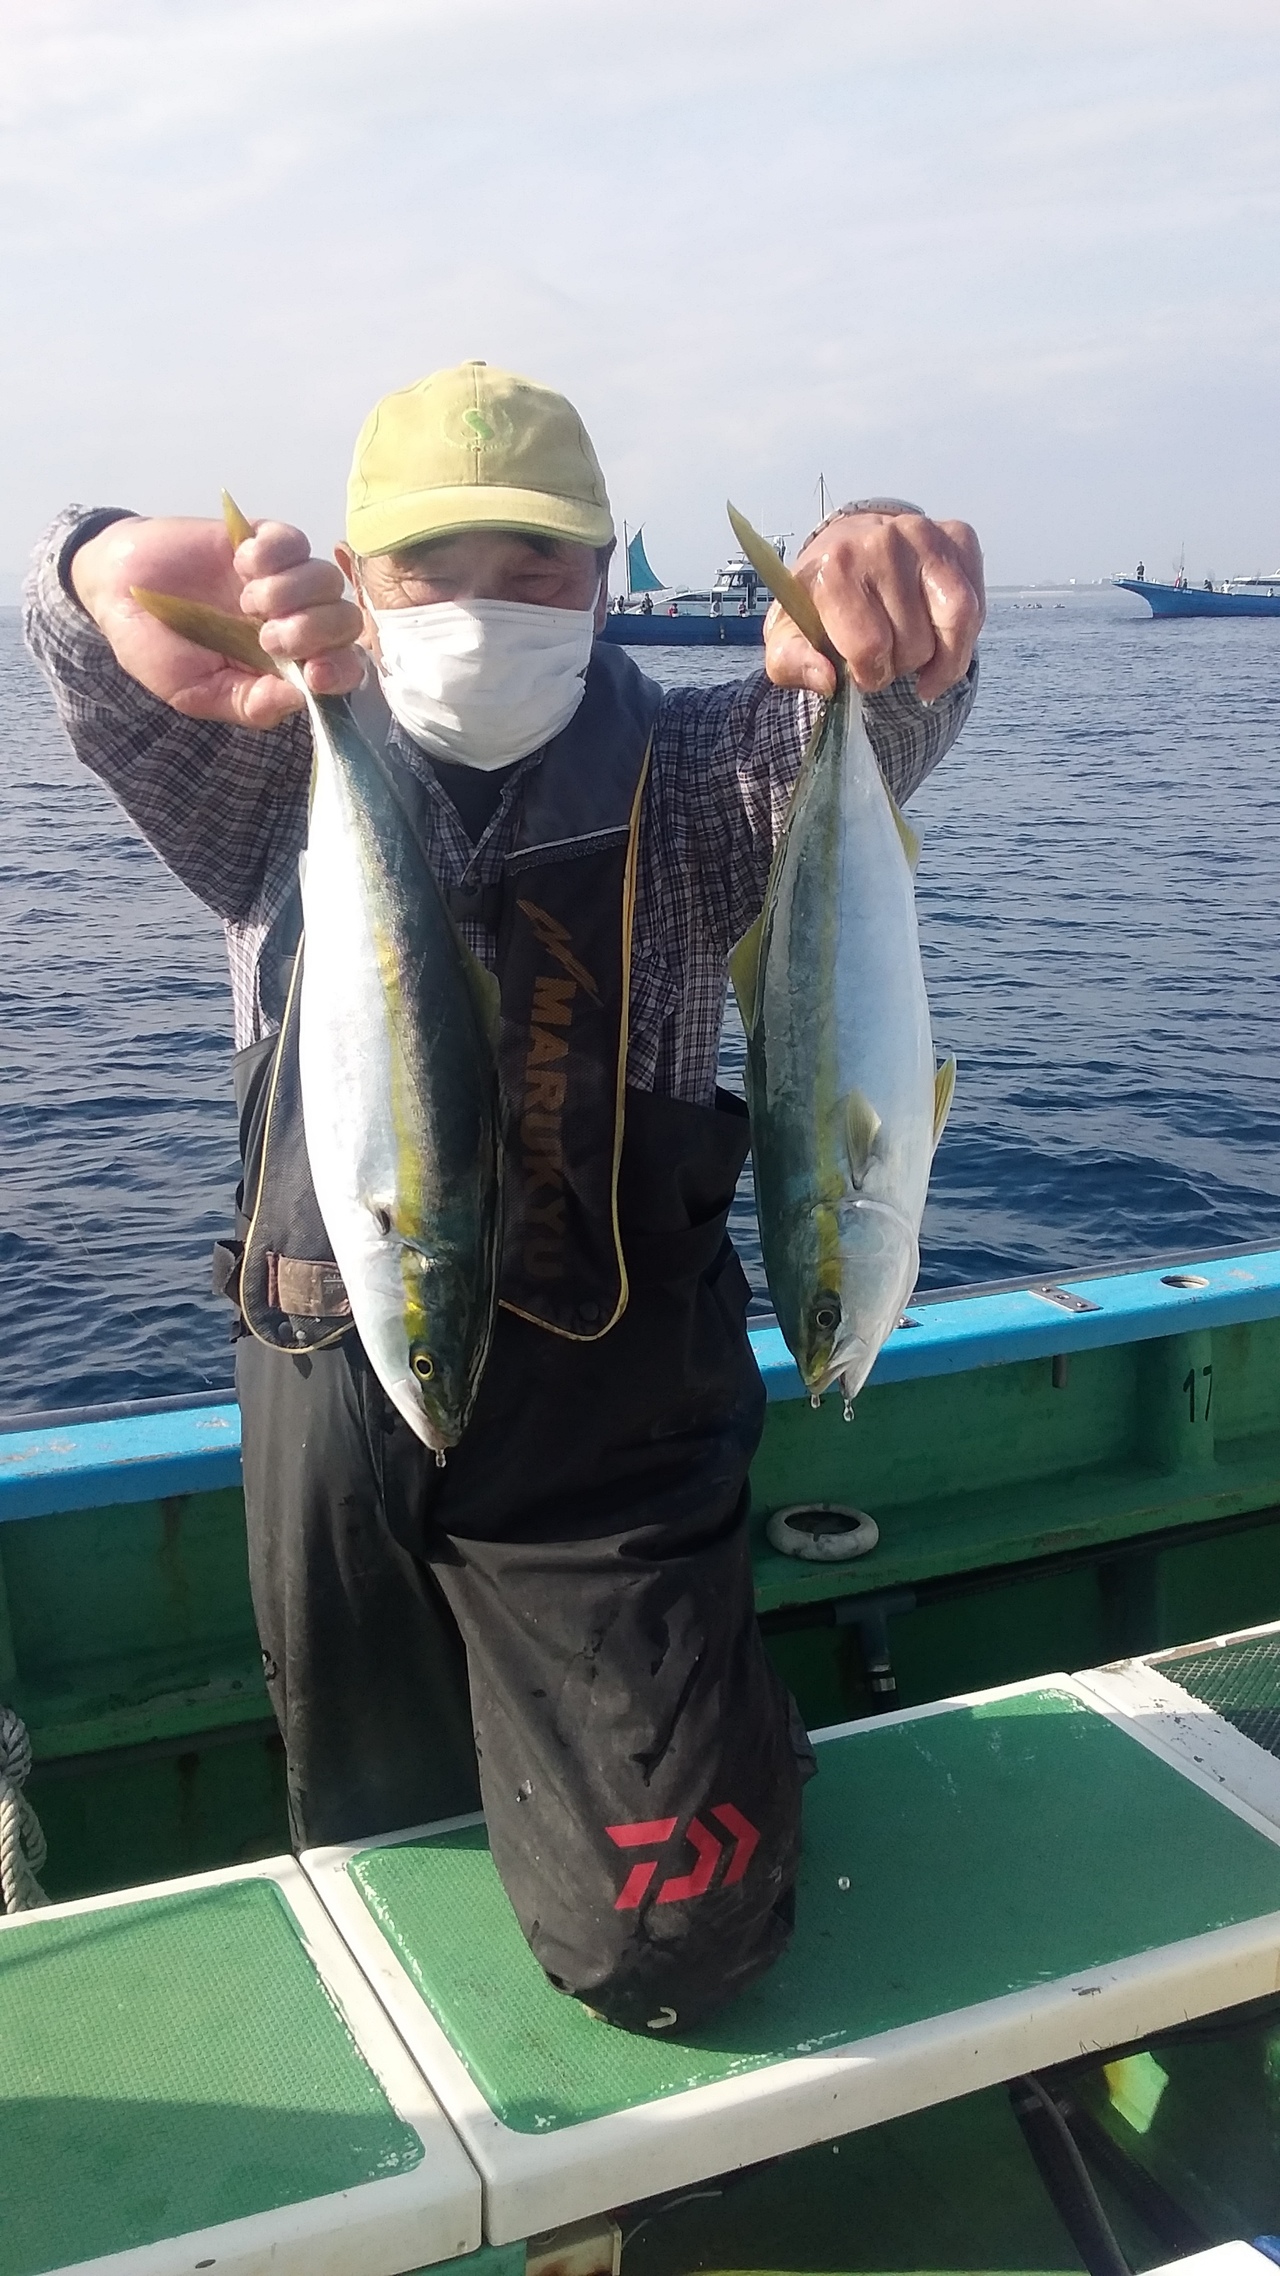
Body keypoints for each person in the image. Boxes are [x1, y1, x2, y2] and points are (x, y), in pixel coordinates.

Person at [24, 360, 983, 2034]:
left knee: (675, 1941)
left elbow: (880, 716)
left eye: (536, 561)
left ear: (604, 577)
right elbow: (94, 669)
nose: (485, 598)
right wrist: (95, 560)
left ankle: (722, 1737)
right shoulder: (271, 768)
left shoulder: (702, 781)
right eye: (429, 564)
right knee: (372, 1845)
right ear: (359, 581)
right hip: (340, 1389)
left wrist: (875, 583)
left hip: (609, 1423)